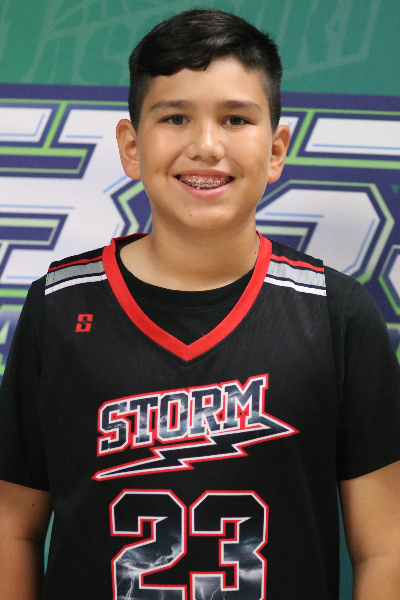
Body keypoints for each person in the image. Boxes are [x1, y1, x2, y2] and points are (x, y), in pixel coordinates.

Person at [0, 8, 400, 600]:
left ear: (276, 150)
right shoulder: (59, 309)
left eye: (236, 119)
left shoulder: (335, 315)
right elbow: (12, 527)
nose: (206, 146)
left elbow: (385, 548)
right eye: (175, 117)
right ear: (131, 146)